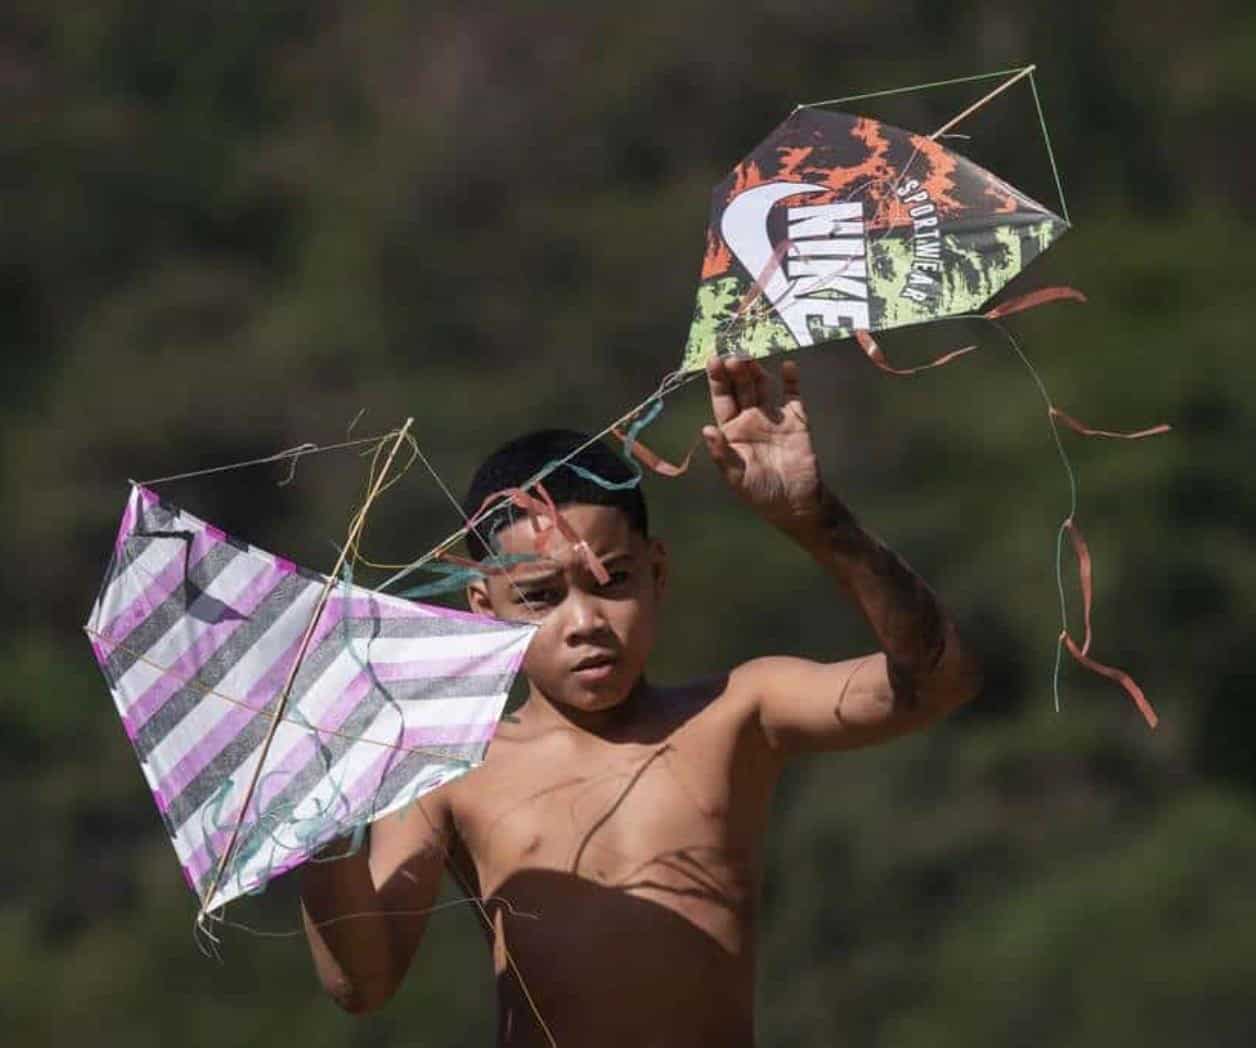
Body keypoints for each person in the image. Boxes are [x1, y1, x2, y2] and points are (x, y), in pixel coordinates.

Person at [300, 355, 982, 1046]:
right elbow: (363, 981)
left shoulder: (736, 713)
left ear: (657, 573)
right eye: (540, 596)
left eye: (611, 580)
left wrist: (816, 519)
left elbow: (937, 681)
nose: (585, 621)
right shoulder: (452, 769)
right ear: (483, 608)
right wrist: (311, 813)